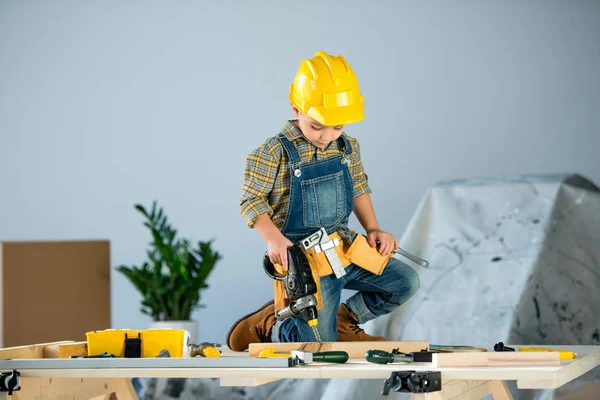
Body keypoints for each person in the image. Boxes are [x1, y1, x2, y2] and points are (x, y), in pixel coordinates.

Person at [226, 51, 420, 351]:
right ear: (296, 107)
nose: (326, 136)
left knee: (405, 282)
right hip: (305, 263)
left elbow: (358, 186)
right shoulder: (272, 153)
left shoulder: (347, 147)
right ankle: (274, 325)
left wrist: (373, 229)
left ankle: (345, 320)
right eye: (317, 125)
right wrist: (274, 240)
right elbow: (251, 201)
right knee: (317, 346)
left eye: (337, 127)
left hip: (345, 250)